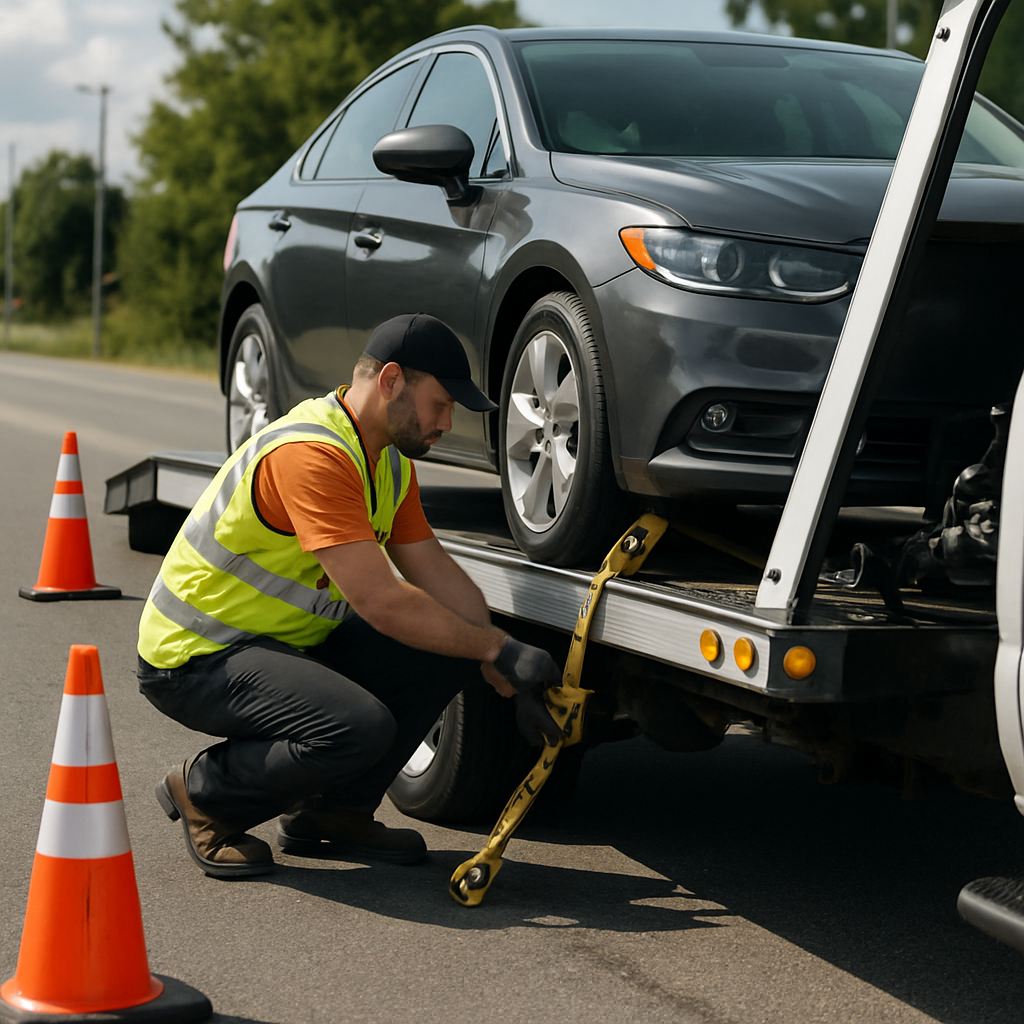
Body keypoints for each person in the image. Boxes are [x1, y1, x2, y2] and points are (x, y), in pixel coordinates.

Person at [136, 312, 563, 879]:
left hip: (279, 644)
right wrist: (495, 651)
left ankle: (331, 814)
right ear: (390, 381)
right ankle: (206, 794)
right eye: (440, 403)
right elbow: (382, 601)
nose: (446, 421)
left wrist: (497, 655)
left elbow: (433, 570)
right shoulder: (312, 454)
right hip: (196, 653)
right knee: (357, 725)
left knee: (447, 646)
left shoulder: (387, 462)